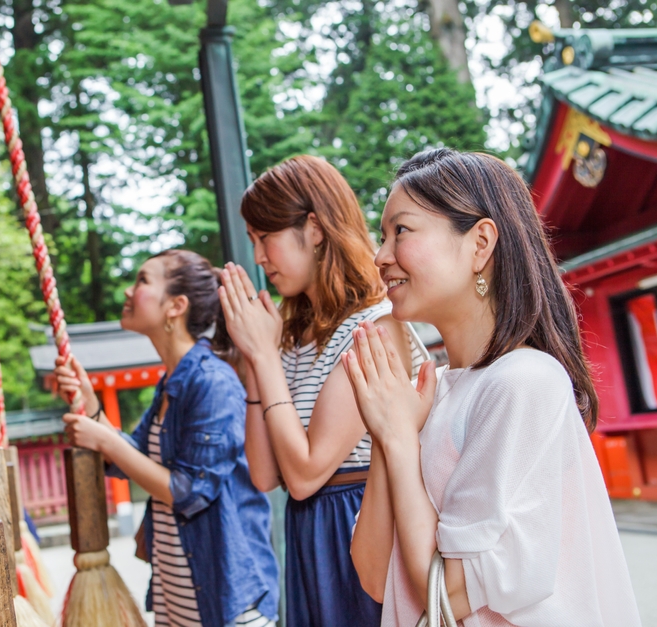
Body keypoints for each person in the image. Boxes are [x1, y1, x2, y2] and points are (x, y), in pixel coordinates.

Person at [345, 148, 641, 625]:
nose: (380, 257)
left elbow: (449, 597)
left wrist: (399, 438)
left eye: (400, 231)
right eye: (383, 237)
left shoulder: (523, 382)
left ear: (480, 243)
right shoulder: (429, 390)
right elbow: (375, 575)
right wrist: (388, 429)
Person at [218, 155, 428, 627]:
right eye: (253, 241)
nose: (258, 257)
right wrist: (258, 357)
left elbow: (307, 473)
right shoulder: (293, 333)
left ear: (313, 228)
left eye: (265, 237)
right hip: (310, 531)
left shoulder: (375, 326)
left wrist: (266, 358)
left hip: (358, 526)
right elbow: (264, 474)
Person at [53, 249, 280, 627]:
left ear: (176, 306)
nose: (129, 290)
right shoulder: (172, 382)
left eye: (142, 280)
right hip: (179, 596)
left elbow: (188, 492)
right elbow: (137, 458)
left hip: (226, 603)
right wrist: (93, 408)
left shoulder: (212, 382)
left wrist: (105, 439)